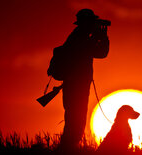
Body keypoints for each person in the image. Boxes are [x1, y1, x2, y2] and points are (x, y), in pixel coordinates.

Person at [50, 9, 109, 152]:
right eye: (91, 22)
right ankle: (67, 148)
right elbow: (101, 53)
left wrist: (98, 37)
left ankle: (68, 147)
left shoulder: (77, 36)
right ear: (85, 23)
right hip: (77, 85)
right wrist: (101, 37)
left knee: (74, 115)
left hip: (76, 84)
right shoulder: (80, 38)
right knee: (76, 117)